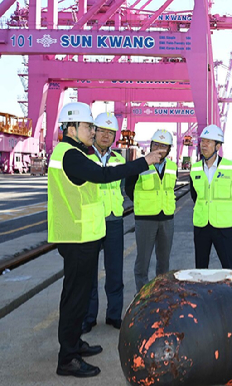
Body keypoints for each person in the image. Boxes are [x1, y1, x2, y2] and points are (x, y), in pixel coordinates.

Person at [48, 102, 164, 378]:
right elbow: (103, 175)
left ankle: (74, 343)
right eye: (89, 127)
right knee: (75, 298)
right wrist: (143, 161)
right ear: (72, 128)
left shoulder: (74, 153)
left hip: (83, 234)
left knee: (76, 293)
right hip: (76, 237)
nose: (93, 131)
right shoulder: (70, 155)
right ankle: (68, 359)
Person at [81, 112, 125, 334]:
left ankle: (114, 315)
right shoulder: (84, 157)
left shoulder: (119, 159)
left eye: (110, 132)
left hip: (114, 220)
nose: (106, 136)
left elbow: (124, 188)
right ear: (94, 132)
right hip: (91, 221)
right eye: (102, 131)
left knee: (115, 271)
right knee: (90, 272)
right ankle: (89, 317)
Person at [125, 129, 177, 292]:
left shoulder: (173, 167)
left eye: (163, 145)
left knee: (164, 262)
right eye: (156, 145)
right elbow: (129, 188)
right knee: (143, 262)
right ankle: (143, 295)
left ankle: (161, 294)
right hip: (145, 219)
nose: (159, 149)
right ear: (150, 145)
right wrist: (143, 203)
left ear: (169, 149)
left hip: (166, 219)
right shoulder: (139, 165)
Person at [189, 124, 232, 270]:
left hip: (223, 227)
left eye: (208, 142)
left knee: (230, 269)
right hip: (201, 226)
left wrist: (223, 210)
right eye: (202, 141)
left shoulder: (231, 168)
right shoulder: (194, 169)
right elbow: (195, 195)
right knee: (200, 270)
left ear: (218, 146)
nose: (203, 145)